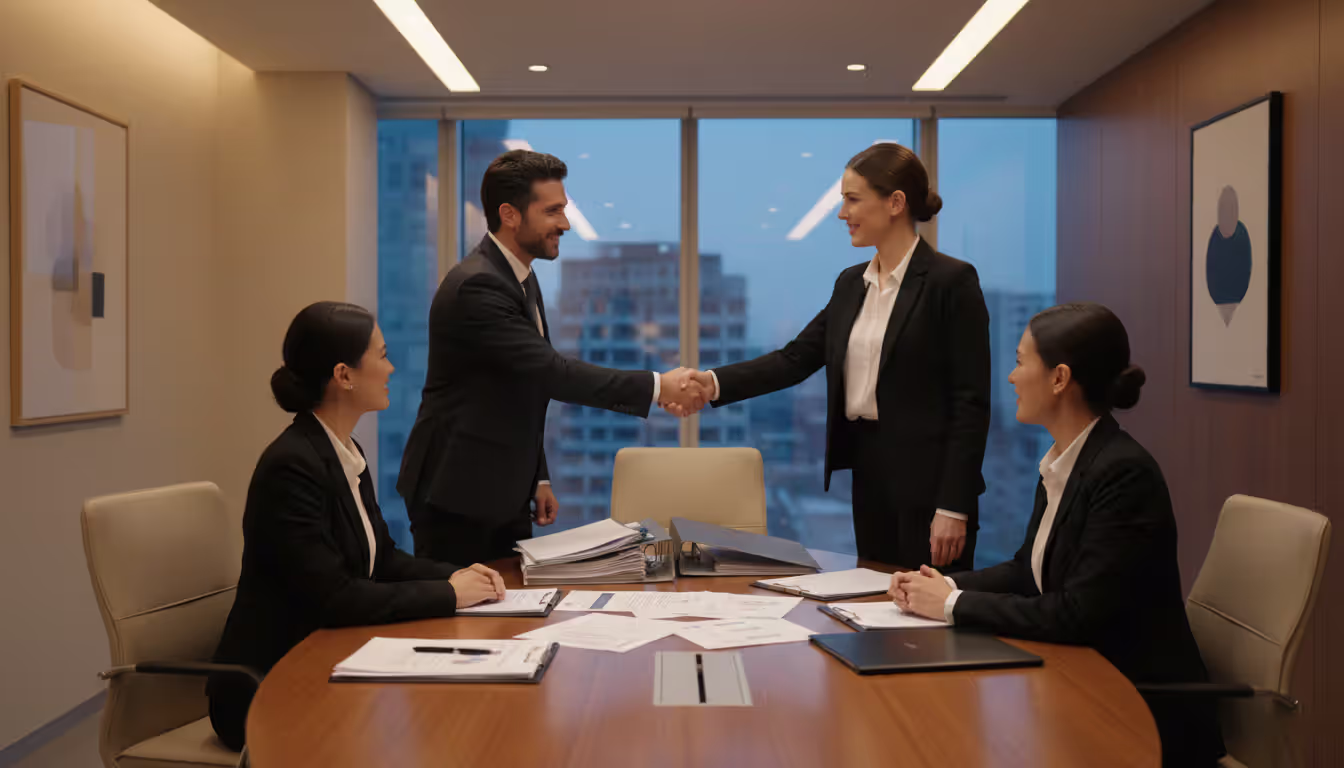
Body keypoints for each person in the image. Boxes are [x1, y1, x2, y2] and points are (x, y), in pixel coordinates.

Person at [891, 302, 1224, 766]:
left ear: (1059, 378)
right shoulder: (1066, 460)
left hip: (1136, 705)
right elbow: (1028, 570)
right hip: (1077, 680)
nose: (1011, 377)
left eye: (1021, 361)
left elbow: (1076, 613)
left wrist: (950, 605)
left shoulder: (1123, 473)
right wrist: (941, 585)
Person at [669, 143, 990, 570]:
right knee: (874, 601)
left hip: (931, 484)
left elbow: (971, 403)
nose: (842, 213)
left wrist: (954, 506)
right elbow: (795, 358)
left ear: (895, 203)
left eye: (853, 199)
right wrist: (711, 384)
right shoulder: (850, 284)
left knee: (927, 617)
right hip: (869, 471)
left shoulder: (952, 282)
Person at [207, 302, 507, 751]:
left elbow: (381, 559)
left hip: (330, 658)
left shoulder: (343, 450)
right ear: (344, 375)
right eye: (382, 355)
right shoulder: (291, 466)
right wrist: (449, 594)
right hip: (268, 685)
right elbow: (335, 597)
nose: (391, 367)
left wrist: (454, 576)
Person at [398, 149, 707, 566]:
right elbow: (551, 373)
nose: (564, 223)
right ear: (510, 214)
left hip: (500, 488)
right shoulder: (478, 287)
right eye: (553, 211)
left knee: (508, 613)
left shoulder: (518, 276)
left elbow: (524, 383)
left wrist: (537, 475)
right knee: (466, 622)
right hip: (458, 493)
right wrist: (658, 386)